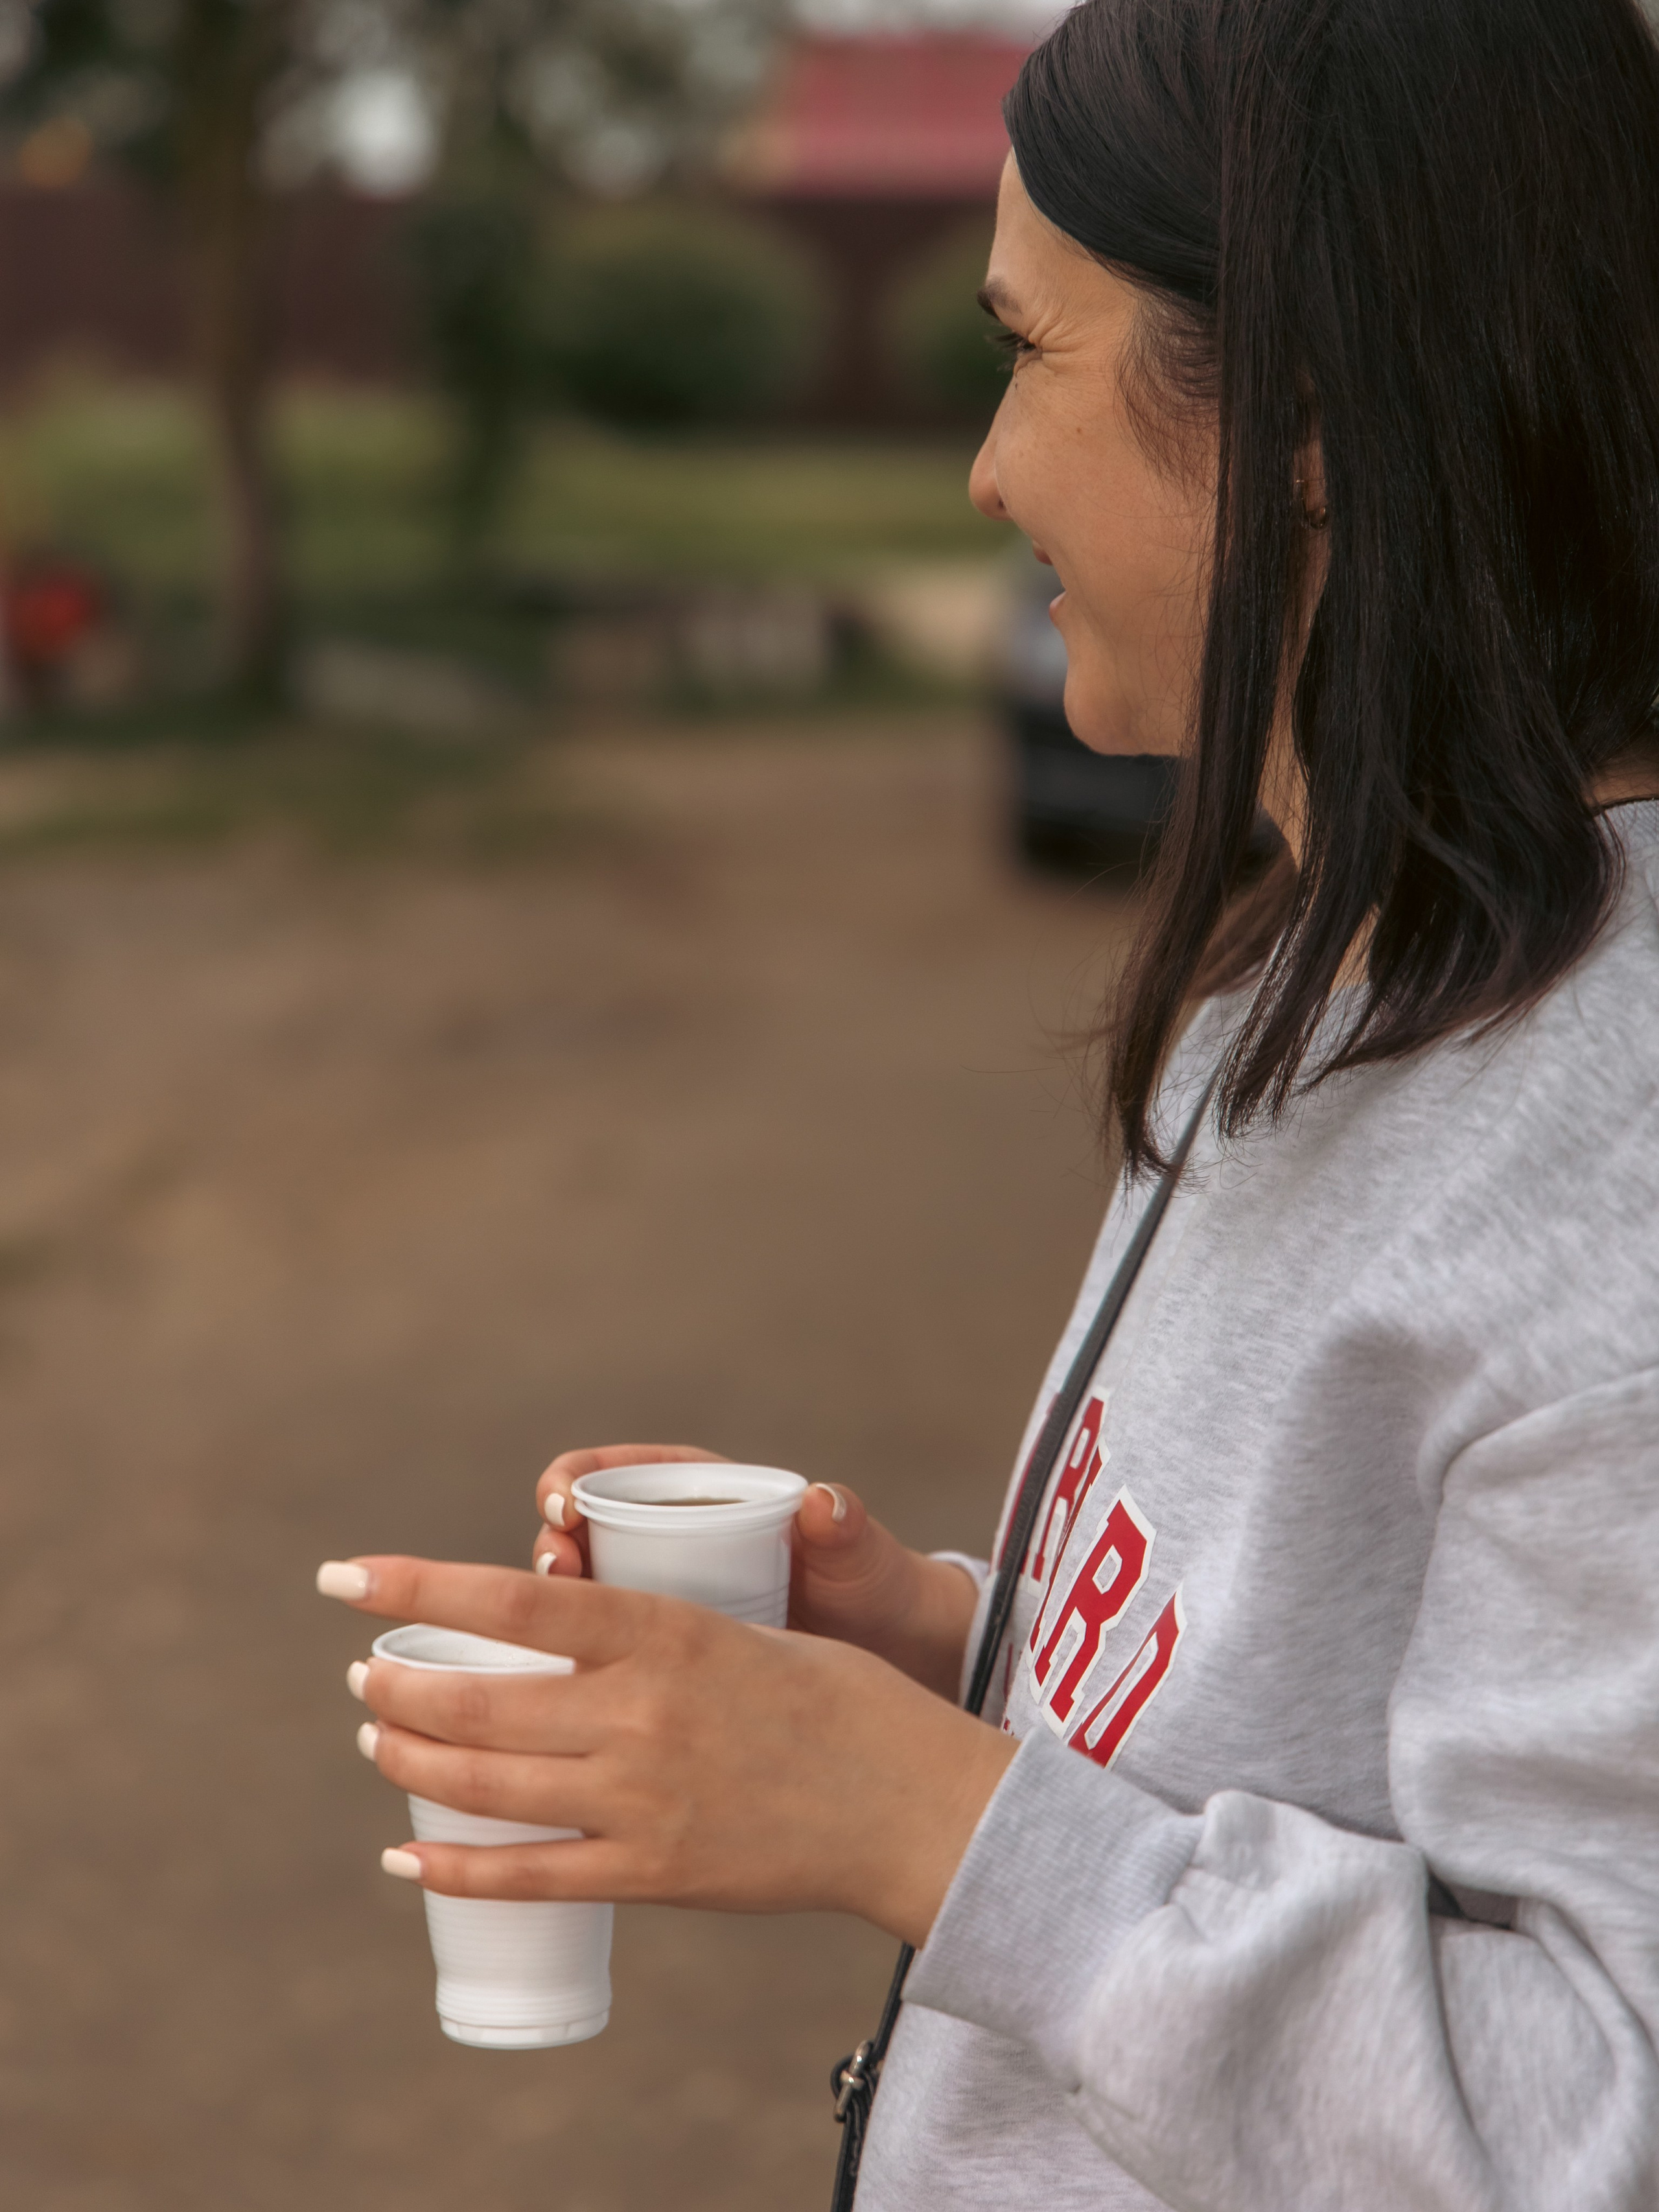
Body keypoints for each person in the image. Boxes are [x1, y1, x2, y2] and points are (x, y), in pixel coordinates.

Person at [315, 0, 1659, 2202]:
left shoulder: (1620, 1180)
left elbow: (1597, 2128)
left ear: (1307, 412)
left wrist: (922, 1823)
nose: (983, 463)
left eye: (1026, 350)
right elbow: (1313, 1735)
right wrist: (960, 1646)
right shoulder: (1349, 966)